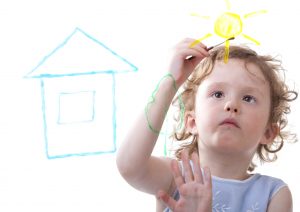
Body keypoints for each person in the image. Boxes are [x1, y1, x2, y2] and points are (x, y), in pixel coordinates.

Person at [116, 38, 297, 212]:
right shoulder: (175, 177)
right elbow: (129, 166)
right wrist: (171, 81)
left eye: (248, 98)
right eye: (218, 94)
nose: (232, 105)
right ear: (192, 122)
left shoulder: (274, 195)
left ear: (268, 132)